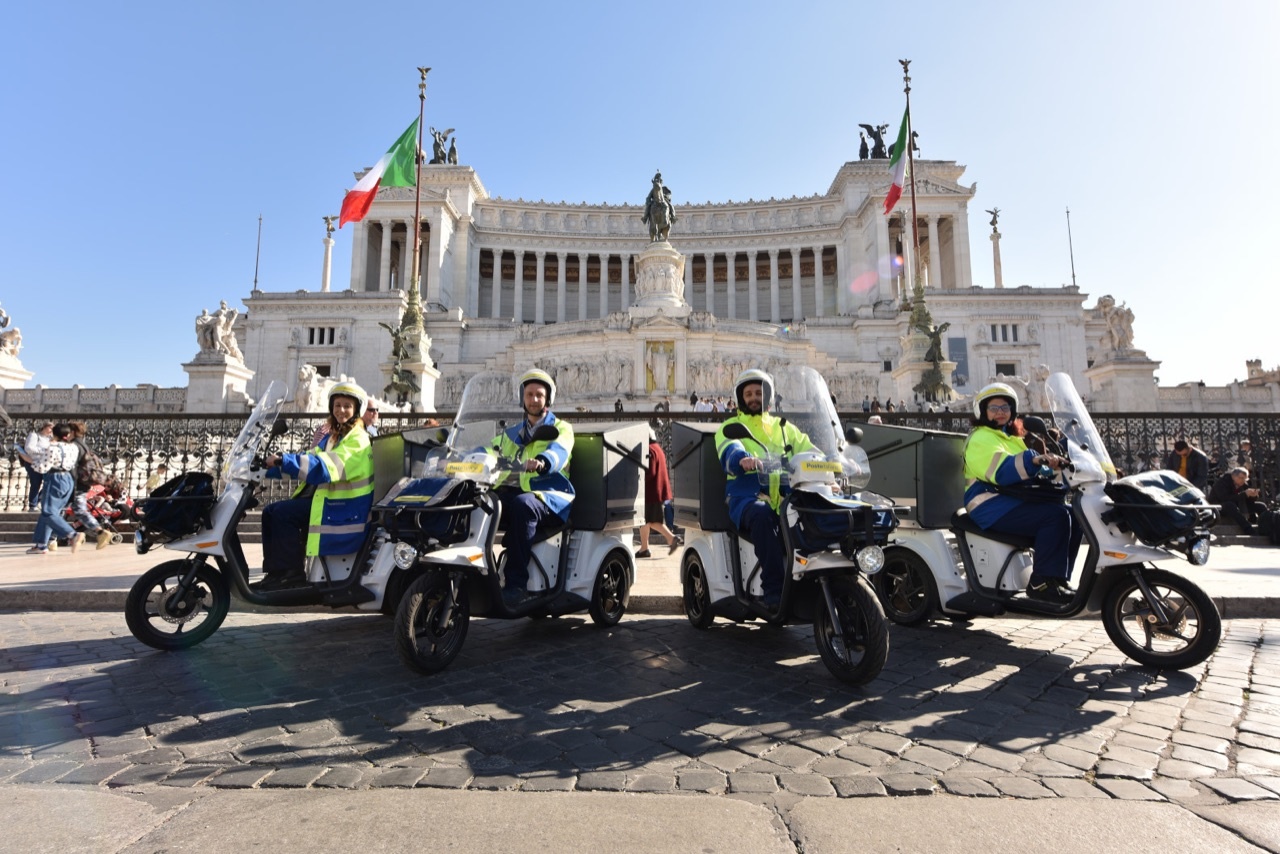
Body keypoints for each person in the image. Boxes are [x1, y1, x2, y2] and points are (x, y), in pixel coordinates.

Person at [962, 382, 1080, 604]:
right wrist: (1033, 459)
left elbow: (1030, 469)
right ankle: (1040, 583)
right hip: (989, 505)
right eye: (994, 408)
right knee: (1055, 517)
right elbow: (1002, 471)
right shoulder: (981, 438)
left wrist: (1052, 466)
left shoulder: (1010, 438)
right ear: (982, 412)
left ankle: (1057, 579)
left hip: (1009, 501)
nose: (1000, 413)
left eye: (1005, 408)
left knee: (1074, 515)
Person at [256, 382, 375, 590]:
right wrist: (268, 468)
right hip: (327, 501)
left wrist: (284, 461)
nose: (341, 410)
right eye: (337, 405)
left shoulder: (358, 439)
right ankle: (277, 573)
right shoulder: (333, 437)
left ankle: (292, 574)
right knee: (270, 511)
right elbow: (308, 459)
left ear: (357, 409)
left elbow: (324, 468)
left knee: (282, 514)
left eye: (347, 405)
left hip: (343, 507)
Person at [715, 368, 815, 608]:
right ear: (741, 398)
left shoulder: (785, 428)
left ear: (768, 396)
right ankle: (773, 592)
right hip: (746, 497)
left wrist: (832, 463)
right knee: (762, 515)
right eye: (748, 393)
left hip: (785, 497)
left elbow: (809, 449)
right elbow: (729, 448)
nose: (753, 398)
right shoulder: (731, 425)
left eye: (758, 393)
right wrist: (742, 459)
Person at [491, 369, 575, 606]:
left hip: (551, 497)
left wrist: (542, 462)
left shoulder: (561, 428)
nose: (534, 399)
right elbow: (491, 450)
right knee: (482, 502)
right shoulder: (511, 434)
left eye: (539, 395)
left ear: (548, 399)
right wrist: (467, 458)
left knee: (522, 505)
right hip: (520, 493)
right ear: (522, 398)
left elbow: (560, 450)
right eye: (529, 394)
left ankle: (517, 584)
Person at [27, 423, 82, 555]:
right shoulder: (73, 448)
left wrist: (28, 459)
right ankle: (41, 544)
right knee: (50, 513)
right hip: (68, 479)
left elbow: (42, 468)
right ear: (68, 435)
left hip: (54, 479)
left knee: (48, 513)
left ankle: (72, 534)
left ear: (54, 434)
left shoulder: (52, 448)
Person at [67, 422, 112, 550]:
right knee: (77, 510)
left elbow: (71, 466)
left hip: (75, 484)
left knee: (56, 511)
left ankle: (57, 539)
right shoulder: (84, 446)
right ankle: (99, 532)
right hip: (83, 483)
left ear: (73, 432)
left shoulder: (74, 446)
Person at [637, 430, 680, 558]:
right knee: (649, 520)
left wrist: (638, 477)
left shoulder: (650, 450)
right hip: (657, 490)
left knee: (646, 519)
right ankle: (646, 547)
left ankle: (668, 540)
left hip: (651, 491)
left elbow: (650, 472)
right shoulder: (657, 448)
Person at [1209, 467, 1264, 535]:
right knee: (1230, 505)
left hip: (1237, 505)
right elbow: (1225, 498)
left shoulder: (1243, 484)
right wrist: (1244, 494)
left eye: (1245, 478)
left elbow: (1248, 501)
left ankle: (1265, 528)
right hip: (1220, 506)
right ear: (1233, 476)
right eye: (1241, 478)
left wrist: (1253, 495)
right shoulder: (1222, 483)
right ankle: (1248, 529)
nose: (1243, 480)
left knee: (1261, 506)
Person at [18, 421, 53, 511]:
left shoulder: (50, 438)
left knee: (48, 483)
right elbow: (29, 448)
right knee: (35, 483)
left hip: (45, 463)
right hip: (32, 462)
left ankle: (39, 500)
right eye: (50, 428)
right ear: (44, 427)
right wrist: (43, 451)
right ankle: (33, 504)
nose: (51, 430)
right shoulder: (34, 435)